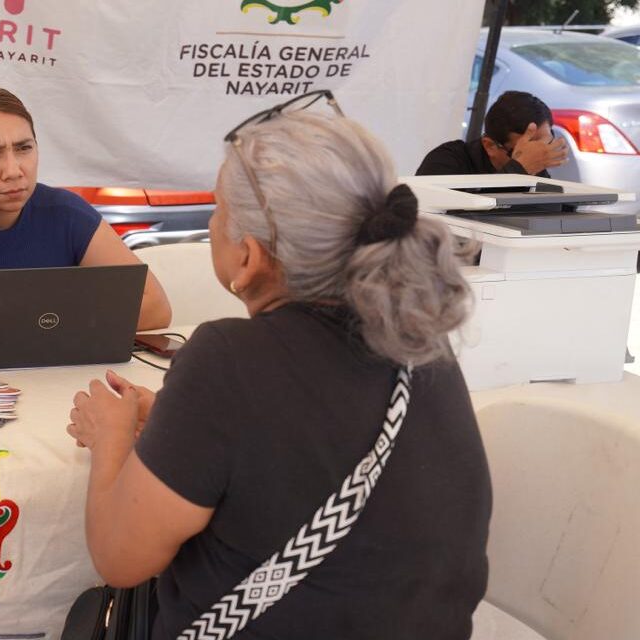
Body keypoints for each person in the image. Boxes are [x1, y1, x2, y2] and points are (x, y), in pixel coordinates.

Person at [68, 98, 492, 639]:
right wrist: (177, 425)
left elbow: (120, 558)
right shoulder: (422, 342)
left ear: (248, 259)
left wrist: (111, 438)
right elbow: (292, 448)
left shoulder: (225, 359)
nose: (212, 222)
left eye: (217, 210)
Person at [0, 86, 171, 350]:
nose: (13, 170)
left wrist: (37, 325)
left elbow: (155, 308)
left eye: (24, 148)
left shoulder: (65, 212)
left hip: (53, 381)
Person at [416, 90, 567, 177]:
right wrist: (519, 170)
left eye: (546, 143)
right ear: (489, 146)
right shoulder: (445, 161)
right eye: (522, 152)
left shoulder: (537, 168)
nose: (538, 154)